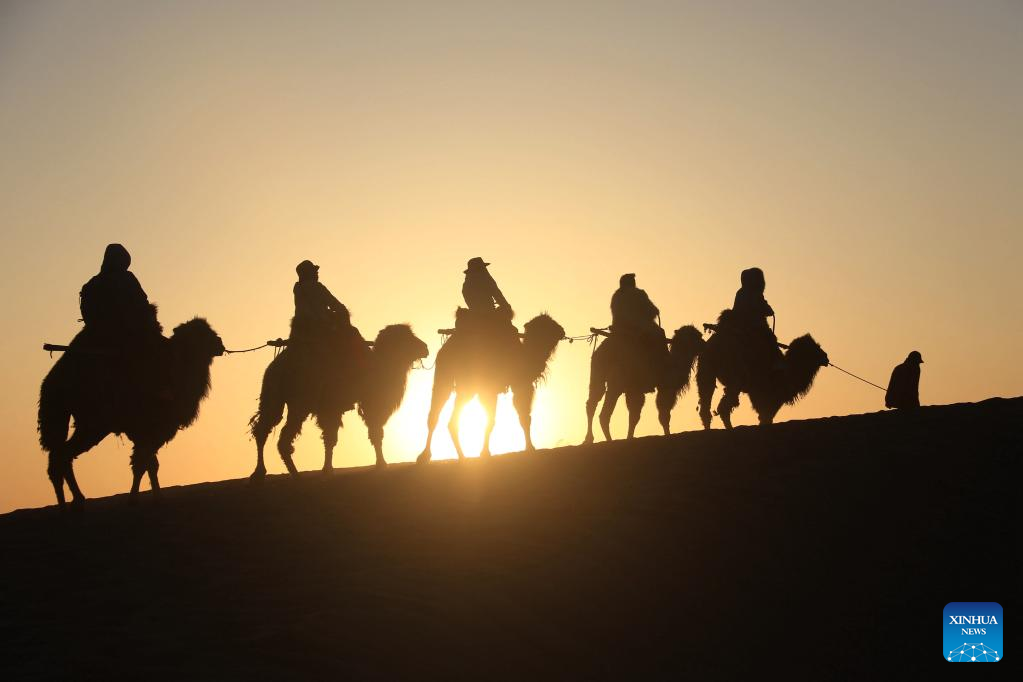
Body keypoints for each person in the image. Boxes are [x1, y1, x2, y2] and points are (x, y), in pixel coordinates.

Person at [78, 243, 158, 342]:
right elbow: (142, 303)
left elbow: (86, 311)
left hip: (96, 334)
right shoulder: (127, 278)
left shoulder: (91, 284)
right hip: (127, 334)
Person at [609, 273, 667, 389]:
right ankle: (663, 369)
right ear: (632, 283)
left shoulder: (616, 296)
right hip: (636, 330)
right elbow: (654, 311)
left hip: (618, 330)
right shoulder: (639, 294)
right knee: (660, 333)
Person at [732, 267, 774, 331]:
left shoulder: (740, 292)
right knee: (769, 338)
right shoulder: (754, 294)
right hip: (752, 327)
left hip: (739, 324)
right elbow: (766, 309)